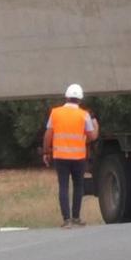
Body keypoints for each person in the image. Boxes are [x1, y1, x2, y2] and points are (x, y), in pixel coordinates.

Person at [40, 85, 97, 228]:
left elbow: (48, 134)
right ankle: (76, 217)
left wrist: (47, 152)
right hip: (78, 157)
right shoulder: (84, 115)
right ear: (80, 99)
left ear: (66, 97)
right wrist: (96, 126)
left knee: (63, 187)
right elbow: (91, 136)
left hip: (60, 156)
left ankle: (66, 220)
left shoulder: (55, 113)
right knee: (79, 186)